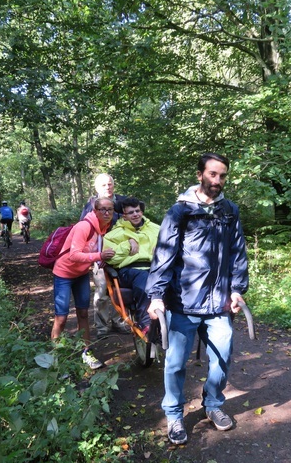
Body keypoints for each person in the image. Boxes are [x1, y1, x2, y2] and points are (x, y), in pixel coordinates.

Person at [146, 153, 249, 445]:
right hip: (182, 302)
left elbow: (238, 254)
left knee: (223, 357)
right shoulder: (180, 211)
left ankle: (213, 404)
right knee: (175, 363)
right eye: (213, 174)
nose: (217, 181)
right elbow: (164, 254)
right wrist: (156, 296)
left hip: (218, 304)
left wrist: (237, 289)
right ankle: (174, 414)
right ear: (200, 174)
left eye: (222, 176)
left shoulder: (229, 211)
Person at [51, 197, 116, 370]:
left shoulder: (105, 227)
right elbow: (74, 255)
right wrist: (99, 257)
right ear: (95, 210)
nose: (106, 212)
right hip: (63, 274)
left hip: (81, 274)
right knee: (62, 317)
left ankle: (86, 351)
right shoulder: (84, 226)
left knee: (83, 314)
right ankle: (55, 356)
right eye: (102, 209)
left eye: (110, 209)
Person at [81, 173, 130, 337]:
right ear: (96, 188)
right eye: (103, 185)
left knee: (120, 289)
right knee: (102, 290)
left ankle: (119, 322)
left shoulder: (123, 202)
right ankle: (101, 327)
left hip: (123, 253)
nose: (107, 187)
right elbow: (84, 228)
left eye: (109, 184)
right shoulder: (91, 205)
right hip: (100, 254)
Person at [103, 197, 160, 335]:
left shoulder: (156, 229)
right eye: (131, 212)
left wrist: (160, 250)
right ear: (124, 215)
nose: (135, 214)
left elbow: (172, 248)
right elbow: (111, 259)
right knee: (144, 277)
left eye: (137, 211)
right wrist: (127, 245)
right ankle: (145, 322)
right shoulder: (113, 234)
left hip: (155, 267)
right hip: (129, 270)